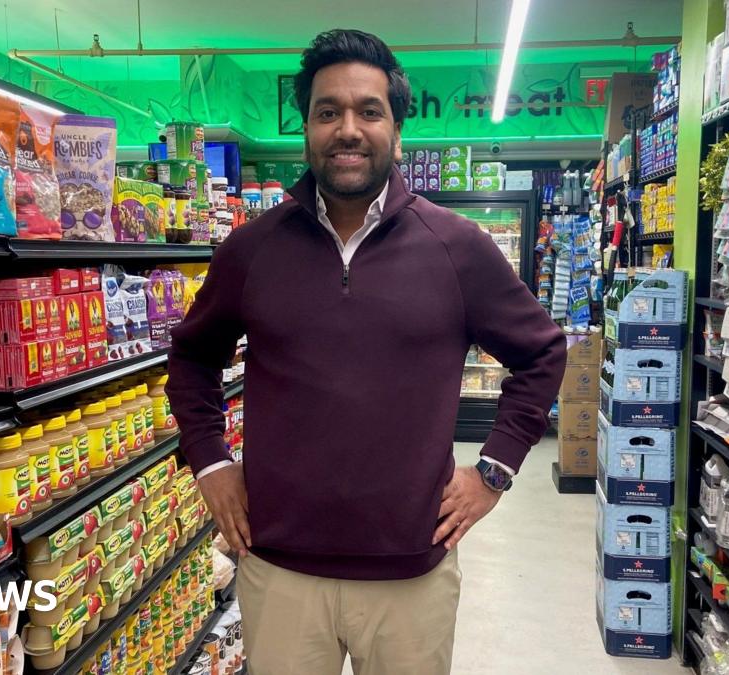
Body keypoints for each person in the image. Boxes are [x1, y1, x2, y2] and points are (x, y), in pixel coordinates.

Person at [167, 29, 565, 675]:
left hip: (413, 572)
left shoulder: (456, 247)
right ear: (306, 127)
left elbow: (542, 353)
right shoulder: (251, 249)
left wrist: (494, 471)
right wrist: (211, 463)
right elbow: (191, 358)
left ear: (396, 127)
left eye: (368, 111)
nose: (347, 129)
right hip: (280, 569)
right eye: (328, 112)